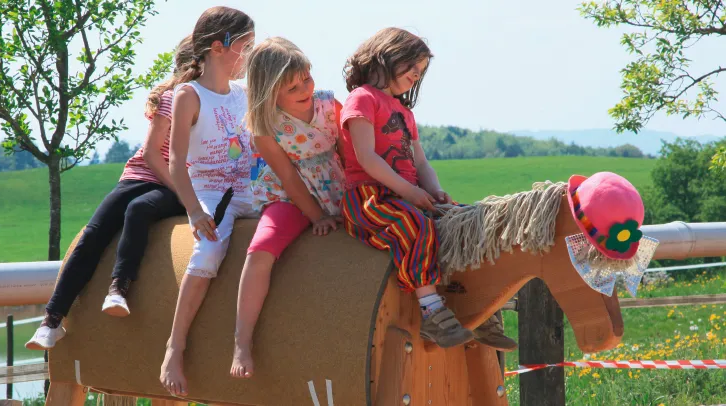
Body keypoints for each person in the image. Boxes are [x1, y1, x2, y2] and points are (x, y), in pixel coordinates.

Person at [339, 27, 516, 351]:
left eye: (421, 71)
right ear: (388, 56)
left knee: (467, 221)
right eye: (412, 66)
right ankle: (432, 312)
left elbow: (420, 163)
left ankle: (478, 309)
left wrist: (435, 191)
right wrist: (409, 192)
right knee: (414, 226)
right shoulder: (363, 98)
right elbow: (366, 157)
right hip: (370, 196)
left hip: (406, 194)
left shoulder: (405, 113)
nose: (416, 75)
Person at [24, 35, 195, 351]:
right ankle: (51, 321)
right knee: (93, 234)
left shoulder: (214, 102)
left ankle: (119, 287)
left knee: (139, 210)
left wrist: (187, 195)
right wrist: (181, 192)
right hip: (143, 177)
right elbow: (150, 154)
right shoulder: (172, 98)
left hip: (178, 184)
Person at [229, 37, 346, 378]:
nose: (305, 89)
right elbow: (289, 178)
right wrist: (317, 217)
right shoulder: (265, 128)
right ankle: (242, 342)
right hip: (289, 196)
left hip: (337, 186)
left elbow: (349, 153)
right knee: (260, 249)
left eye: (306, 79)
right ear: (270, 93)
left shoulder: (329, 104)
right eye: (292, 87)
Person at [158, 6, 256, 397]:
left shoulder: (243, 94)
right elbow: (175, 161)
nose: (250, 55)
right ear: (218, 47)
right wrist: (195, 211)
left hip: (251, 189)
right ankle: (175, 346)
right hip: (214, 194)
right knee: (209, 252)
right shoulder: (189, 95)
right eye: (246, 46)